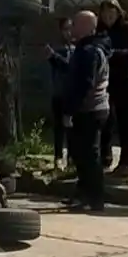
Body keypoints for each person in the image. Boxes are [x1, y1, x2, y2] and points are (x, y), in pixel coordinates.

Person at [61, 10, 110, 211]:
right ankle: (83, 193)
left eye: (77, 24)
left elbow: (84, 84)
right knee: (80, 153)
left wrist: (70, 111)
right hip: (89, 108)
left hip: (90, 109)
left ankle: (96, 198)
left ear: (88, 28)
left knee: (89, 155)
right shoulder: (84, 49)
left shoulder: (89, 51)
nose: (73, 28)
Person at [97, 0, 128, 176]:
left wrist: (116, 54)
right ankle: (104, 158)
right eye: (105, 13)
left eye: (112, 12)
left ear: (118, 12)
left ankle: (126, 161)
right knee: (104, 120)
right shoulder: (100, 31)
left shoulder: (127, 28)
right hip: (104, 79)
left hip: (124, 78)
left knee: (125, 121)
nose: (108, 16)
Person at [45, 16, 74, 170]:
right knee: (59, 128)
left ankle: (70, 158)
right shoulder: (57, 47)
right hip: (58, 92)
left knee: (70, 127)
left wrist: (54, 57)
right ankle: (58, 157)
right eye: (65, 29)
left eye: (71, 29)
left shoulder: (76, 48)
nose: (68, 33)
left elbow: (70, 68)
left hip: (71, 93)